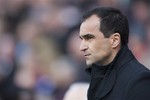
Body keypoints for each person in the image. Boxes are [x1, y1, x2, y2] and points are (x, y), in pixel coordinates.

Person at [79, 7, 150, 100]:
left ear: (115, 40)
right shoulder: (98, 77)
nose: (81, 47)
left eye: (89, 38)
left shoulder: (138, 81)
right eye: (82, 39)